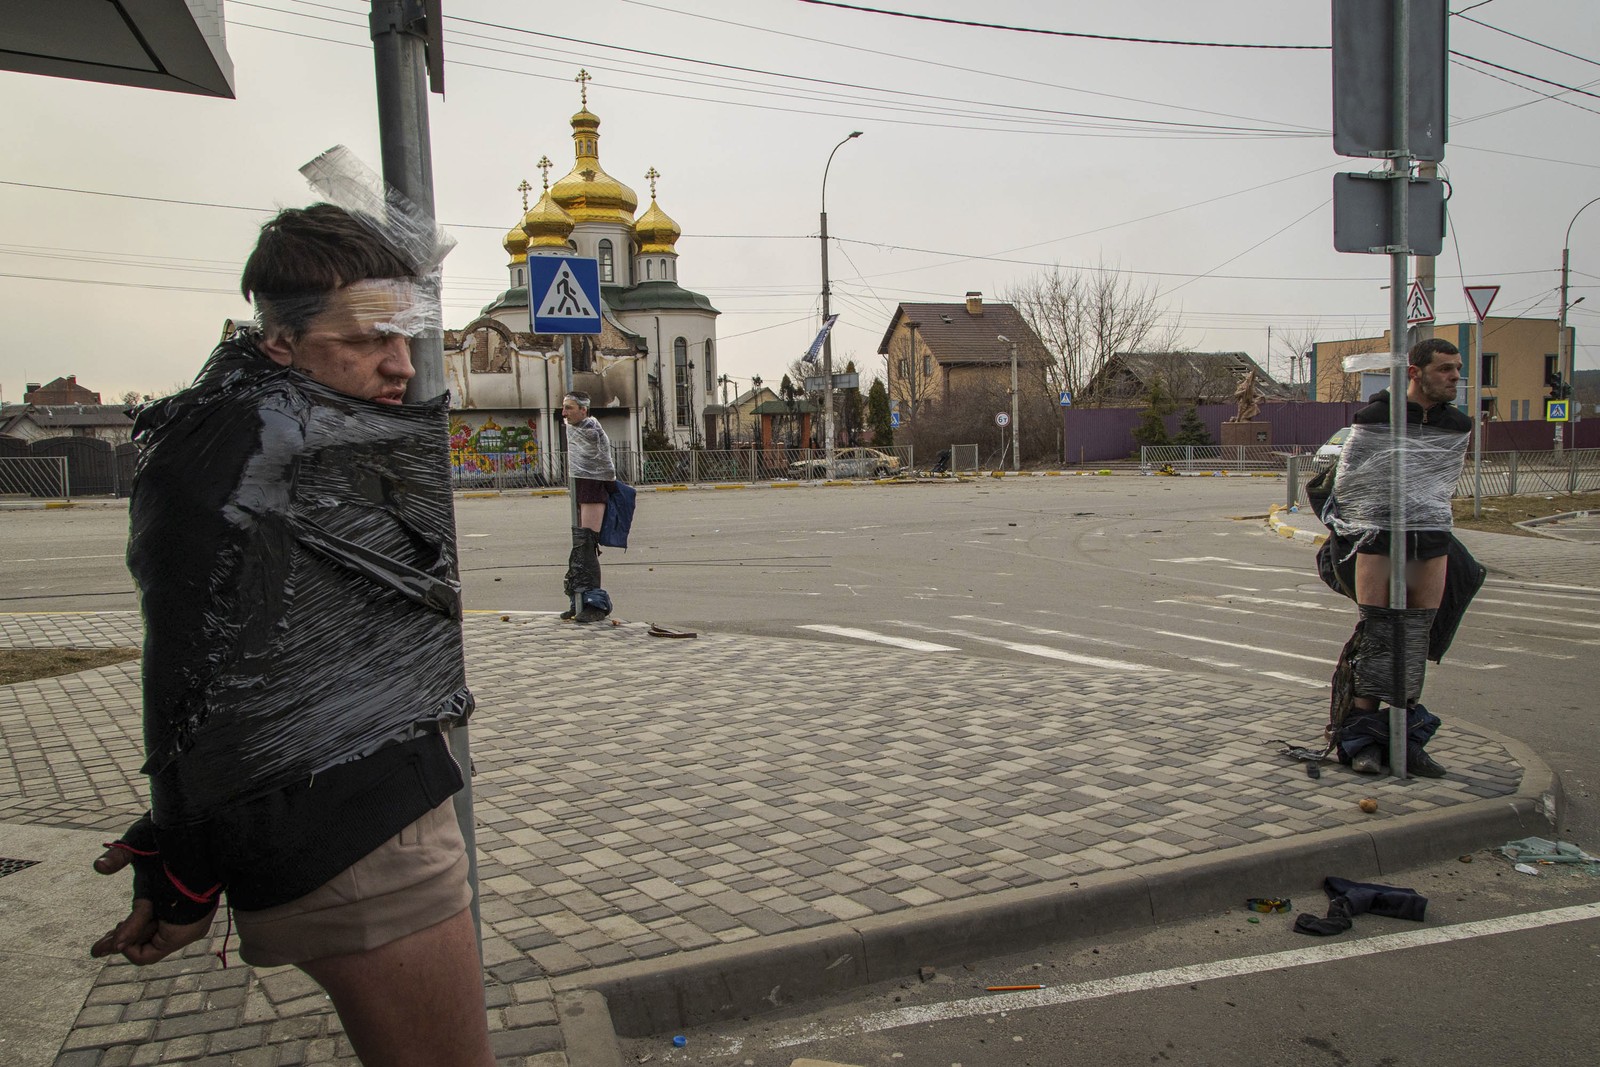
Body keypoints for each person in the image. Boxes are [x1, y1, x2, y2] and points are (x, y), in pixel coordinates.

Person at [90, 203, 495, 1067]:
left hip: (363, 812)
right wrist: (189, 865)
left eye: (404, 335)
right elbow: (190, 684)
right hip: (361, 851)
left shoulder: (298, 429)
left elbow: (256, 661)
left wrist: (181, 843)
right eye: (367, 339)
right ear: (279, 337)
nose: (399, 364)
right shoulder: (234, 455)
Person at [1325, 337, 1470, 778]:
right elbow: (1349, 484)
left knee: (1415, 636)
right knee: (1378, 632)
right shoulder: (1376, 417)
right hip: (1379, 536)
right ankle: (1362, 742)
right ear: (1415, 372)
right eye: (1445, 369)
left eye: (1457, 369)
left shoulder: (1457, 425)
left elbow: (1443, 485)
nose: (1454, 377)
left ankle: (1404, 741)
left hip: (1430, 536)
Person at [560, 390, 616, 623]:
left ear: (584, 410)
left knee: (586, 545)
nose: (564, 413)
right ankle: (579, 600)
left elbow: (601, 465)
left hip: (592, 492)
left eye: (569, 408)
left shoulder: (590, 430)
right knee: (579, 547)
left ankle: (595, 604)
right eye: (564, 407)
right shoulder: (578, 430)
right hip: (581, 491)